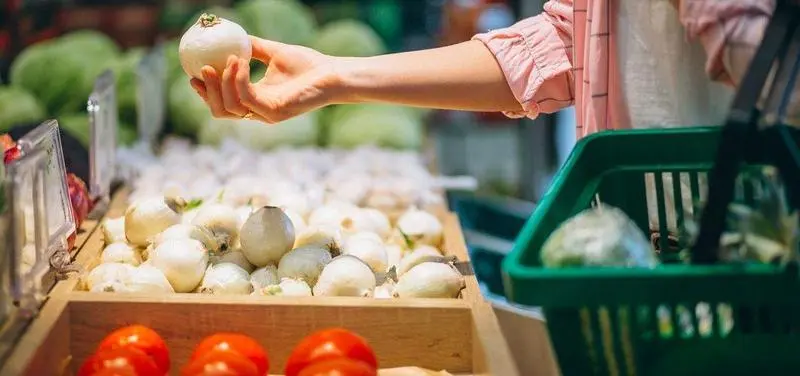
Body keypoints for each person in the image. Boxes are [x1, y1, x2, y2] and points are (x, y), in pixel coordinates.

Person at [190, 0, 779, 247]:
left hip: (758, 245)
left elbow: (766, 60)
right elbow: (567, 44)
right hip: (649, 246)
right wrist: (338, 78)